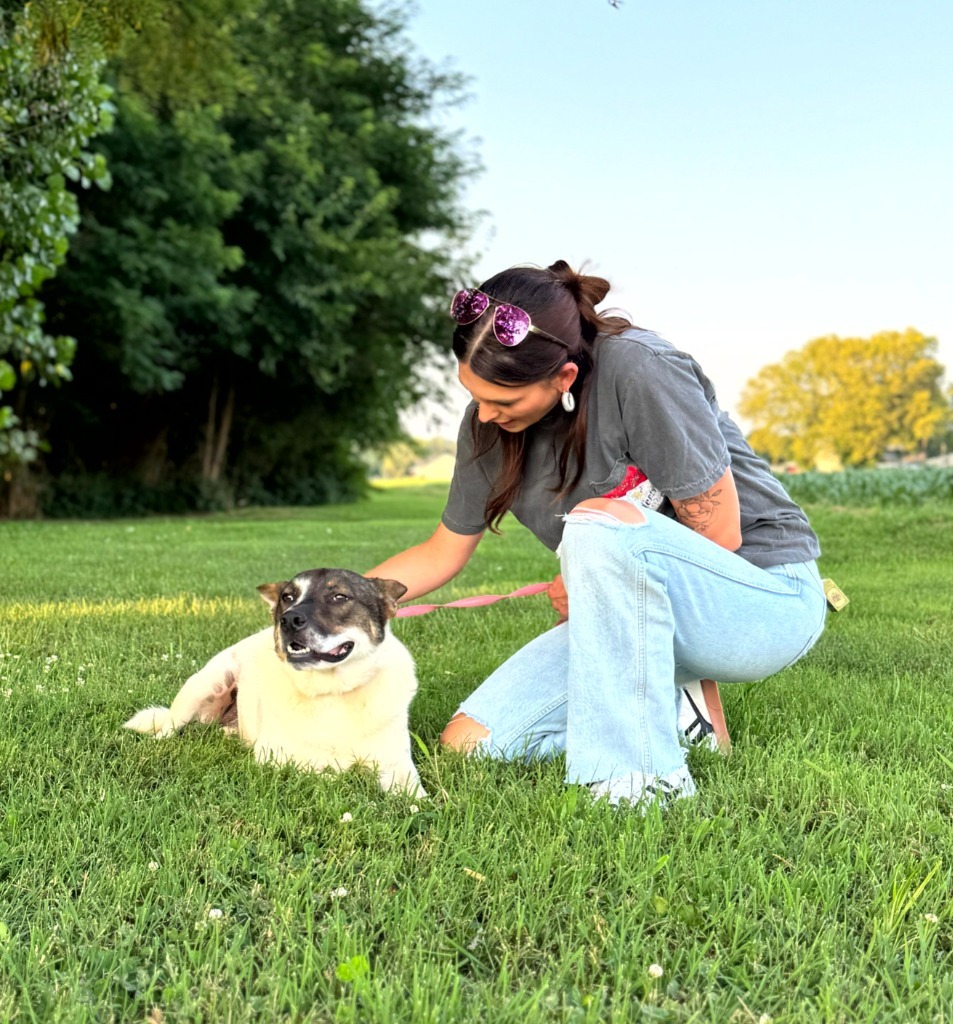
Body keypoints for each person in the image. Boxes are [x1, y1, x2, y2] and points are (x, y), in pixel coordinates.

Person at [366, 260, 827, 807]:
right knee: (469, 745)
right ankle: (677, 703)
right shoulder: (488, 427)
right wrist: (315, 610)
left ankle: (642, 783)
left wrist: (597, 563)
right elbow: (441, 552)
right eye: (475, 395)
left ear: (563, 378)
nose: (485, 415)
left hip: (761, 599)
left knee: (594, 526)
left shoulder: (639, 370)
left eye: (504, 401)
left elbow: (722, 533)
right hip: (635, 612)